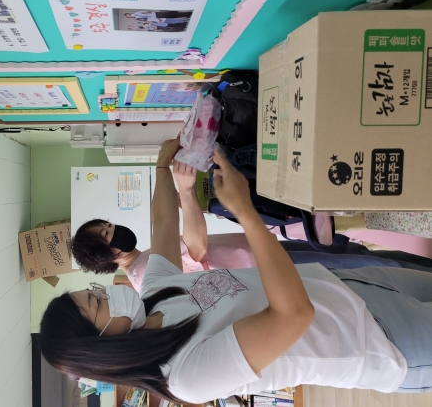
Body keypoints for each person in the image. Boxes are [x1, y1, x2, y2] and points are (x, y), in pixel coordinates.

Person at [39, 140, 432, 403]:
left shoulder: (156, 294)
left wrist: (162, 164)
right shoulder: (184, 375)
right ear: (100, 346)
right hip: (378, 342)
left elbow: (163, 224)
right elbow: (293, 314)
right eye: (96, 303)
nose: (106, 293)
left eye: (94, 290)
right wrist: (244, 212)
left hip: (349, 287)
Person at [71, 162, 432, 292]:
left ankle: (419, 267)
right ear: (107, 256)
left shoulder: (144, 259)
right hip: (264, 267)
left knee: (348, 252)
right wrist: (187, 193)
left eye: (107, 224)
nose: (113, 229)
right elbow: (197, 250)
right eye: (106, 234)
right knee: (362, 267)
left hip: (261, 251)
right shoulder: (144, 273)